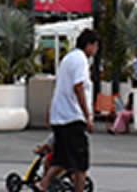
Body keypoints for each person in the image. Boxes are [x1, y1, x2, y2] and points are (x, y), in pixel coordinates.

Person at [36, 29, 98, 192]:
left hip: (61, 117)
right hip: (72, 118)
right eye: (96, 46)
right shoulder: (80, 60)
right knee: (80, 164)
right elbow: (78, 87)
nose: (96, 51)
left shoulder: (68, 59)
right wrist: (88, 116)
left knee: (62, 159)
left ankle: (43, 185)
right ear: (90, 45)